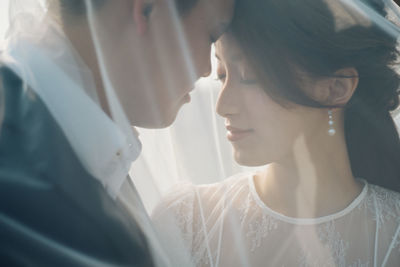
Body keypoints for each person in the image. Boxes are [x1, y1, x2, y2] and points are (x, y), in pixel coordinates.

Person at [152, 0, 400, 266]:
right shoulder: (187, 223)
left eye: (250, 76)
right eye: (222, 75)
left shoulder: (394, 234)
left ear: (336, 89)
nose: (223, 107)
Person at [0, 0, 233, 266]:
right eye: (211, 35)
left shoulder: (91, 150)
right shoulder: (13, 174)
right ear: (147, 9)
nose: (206, 70)